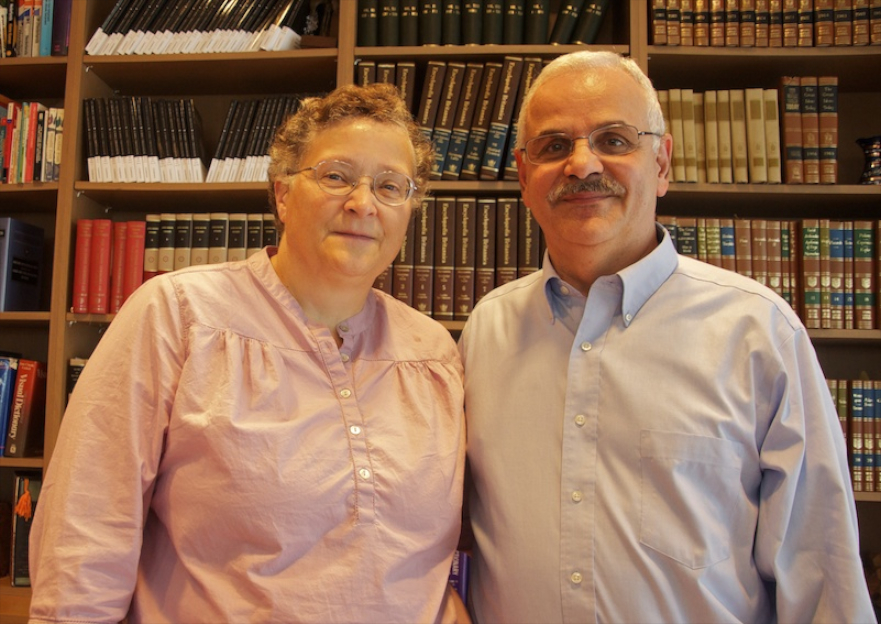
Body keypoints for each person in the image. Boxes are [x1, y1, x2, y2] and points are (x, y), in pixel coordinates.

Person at [459, 51, 877, 623]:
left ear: (662, 163)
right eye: (555, 146)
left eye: (614, 140)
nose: (582, 165)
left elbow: (822, 576)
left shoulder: (756, 332)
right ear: (525, 177)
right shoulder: (486, 332)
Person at [29, 83, 467, 624]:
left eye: (390, 186)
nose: (362, 203)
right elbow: (88, 526)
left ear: (410, 209)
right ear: (283, 194)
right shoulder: (179, 315)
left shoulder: (434, 353)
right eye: (335, 176)